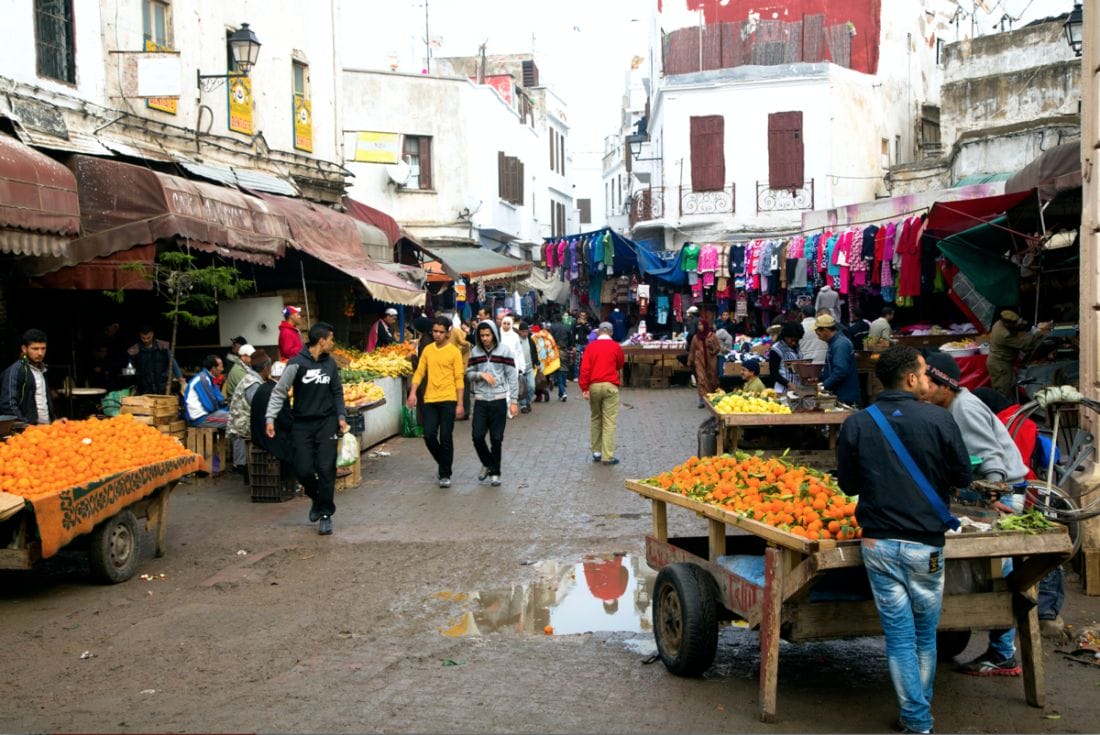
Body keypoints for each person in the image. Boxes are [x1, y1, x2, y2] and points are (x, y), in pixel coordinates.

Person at [836, 345, 972, 735]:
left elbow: (847, 484)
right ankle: (917, 716)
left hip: (878, 546)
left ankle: (917, 718)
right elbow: (963, 477)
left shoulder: (858, 423)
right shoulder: (939, 420)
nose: (929, 379)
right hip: (926, 547)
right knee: (924, 636)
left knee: (898, 637)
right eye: (926, 372)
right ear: (910, 378)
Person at [922, 351, 1029, 677]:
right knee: (985, 571)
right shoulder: (950, 407)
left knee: (998, 571)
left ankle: (1002, 652)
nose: (922, 390)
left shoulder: (963, 409)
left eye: (927, 382)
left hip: (1001, 496)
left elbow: (990, 457)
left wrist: (993, 496)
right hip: (986, 495)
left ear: (944, 384)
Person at [267, 321, 348, 536]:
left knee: (325, 468)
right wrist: (270, 418)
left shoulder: (330, 364)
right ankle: (317, 498)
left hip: (326, 422)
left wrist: (341, 416)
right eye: (330, 339)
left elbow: (337, 392)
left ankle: (325, 515)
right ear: (321, 341)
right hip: (302, 423)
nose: (332, 343)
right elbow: (279, 391)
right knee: (302, 470)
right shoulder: (296, 363)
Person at [406, 316, 465, 487]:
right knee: (429, 434)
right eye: (435, 331)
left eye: (441, 332)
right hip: (430, 399)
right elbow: (419, 372)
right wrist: (413, 392)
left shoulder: (454, 351)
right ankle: (444, 462)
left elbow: (459, 378)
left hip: (448, 399)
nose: (437, 335)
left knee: (446, 436)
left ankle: (444, 473)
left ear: (448, 332)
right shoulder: (428, 350)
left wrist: (460, 403)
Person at [466, 319, 519, 487]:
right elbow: (468, 373)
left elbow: (512, 376)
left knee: (496, 439)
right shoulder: (475, 352)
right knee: (477, 436)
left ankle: (495, 473)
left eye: (488, 335)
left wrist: (514, 401)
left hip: (499, 400)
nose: (485, 338)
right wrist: (480, 375)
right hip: (481, 400)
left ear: (494, 334)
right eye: (481, 335)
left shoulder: (505, 351)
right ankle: (488, 463)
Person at [579, 321, 624, 465]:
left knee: (596, 418)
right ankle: (608, 455)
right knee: (609, 421)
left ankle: (596, 452)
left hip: (594, 386)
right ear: (611, 332)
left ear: (598, 332)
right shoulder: (616, 346)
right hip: (610, 385)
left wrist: (584, 388)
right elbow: (620, 364)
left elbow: (584, 369)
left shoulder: (590, 347)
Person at [987, 310, 1052, 400]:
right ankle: (1005, 412)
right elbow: (1024, 346)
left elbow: (1018, 327)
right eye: (1014, 323)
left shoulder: (999, 323)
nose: (1017, 324)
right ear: (1007, 323)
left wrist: (1032, 325)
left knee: (1009, 388)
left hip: (1001, 362)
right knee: (1004, 392)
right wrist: (1038, 332)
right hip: (1000, 365)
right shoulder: (1004, 334)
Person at [0, 328, 58, 425]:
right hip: (28, 433)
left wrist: (54, 421)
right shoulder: (15, 371)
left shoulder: (42, 370)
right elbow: (8, 405)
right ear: (24, 349)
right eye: (35, 349)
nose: (40, 353)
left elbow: (45, 401)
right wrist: (26, 426)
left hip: (47, 430)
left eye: (43, 348)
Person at [227, 349, 268, 482]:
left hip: (243, 421)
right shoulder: (253, 383)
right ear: (265, 369)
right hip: (243, 425)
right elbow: (258, 409)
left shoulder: (252, 378)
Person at [250, 359, 293, 465]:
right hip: (271, 437)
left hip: (257, 435)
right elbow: (286, 422)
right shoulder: (280, 391)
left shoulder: (262, 387)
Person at [816, 314, 860, 406]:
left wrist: (824, 386)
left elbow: (840, 371)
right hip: (840, 393)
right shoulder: (835, 343)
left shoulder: (840, 344)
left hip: (844, 395)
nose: (818, 336)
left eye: (818, 333)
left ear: (826, 330)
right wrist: (820, 379)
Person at [128, 325, 184, 395]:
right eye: (143, 338)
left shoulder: (163, 345)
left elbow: (172, 362)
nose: (146, 340)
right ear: (140, 335)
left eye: (148, 337)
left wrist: (180, 377)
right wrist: (129, 379)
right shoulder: (134, 349)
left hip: (162, 385)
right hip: (144, 387)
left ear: (152, 334)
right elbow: (129, 369)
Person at [183, 355, 229, 428]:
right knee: (235, 420)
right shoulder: (203, 379)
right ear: (213, 368)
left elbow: (220, 399)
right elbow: (210, 406)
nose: (222, 369)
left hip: (207, 414)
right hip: (200, 418)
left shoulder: (210, 378)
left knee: (235, 415)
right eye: (221, 367)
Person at [498, 316, 530, 413]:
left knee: (511, 386)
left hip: (513, 364)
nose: (506, 326)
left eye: (508, 324)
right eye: (504, 323)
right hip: (500, 364)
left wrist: (522, 366)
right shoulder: (498, 335)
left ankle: (509, 407)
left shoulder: (515, 336)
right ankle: (504, 407)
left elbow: (519, 352)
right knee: (502, 386)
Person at [687, 320, 720, 408]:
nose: (700, 327)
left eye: (701, 325)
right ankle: (702, 399)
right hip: (699, 360)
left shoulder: (712, 336)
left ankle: (712, 397)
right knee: (701, 379)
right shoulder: (695, 337)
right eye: (698, 325)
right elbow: (692, 350)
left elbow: (718, 348)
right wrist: (690, 361)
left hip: (711, 361)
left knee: (712, 379)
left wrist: (711, 347)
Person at [768, 322, 804, 394]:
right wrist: (789, 384)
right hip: (782, 390)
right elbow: (773, 373)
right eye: (792, 340)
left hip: (797, 389)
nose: (794, 343)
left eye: (796, 340)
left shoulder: (796, 347)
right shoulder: (776, 350)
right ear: (785, 337)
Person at [570, 311, 591, 381]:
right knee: (577, 361)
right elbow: (572, 335)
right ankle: (576, 376)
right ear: (579, 316)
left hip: (585, 344)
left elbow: (589, 331)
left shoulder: (587, 323)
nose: (582, 316)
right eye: (581, 315)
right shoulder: (575, 323)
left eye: (584, 315)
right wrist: (573, 346)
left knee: (587, 361)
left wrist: (584, 324)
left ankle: (586, 376)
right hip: (578, 344)